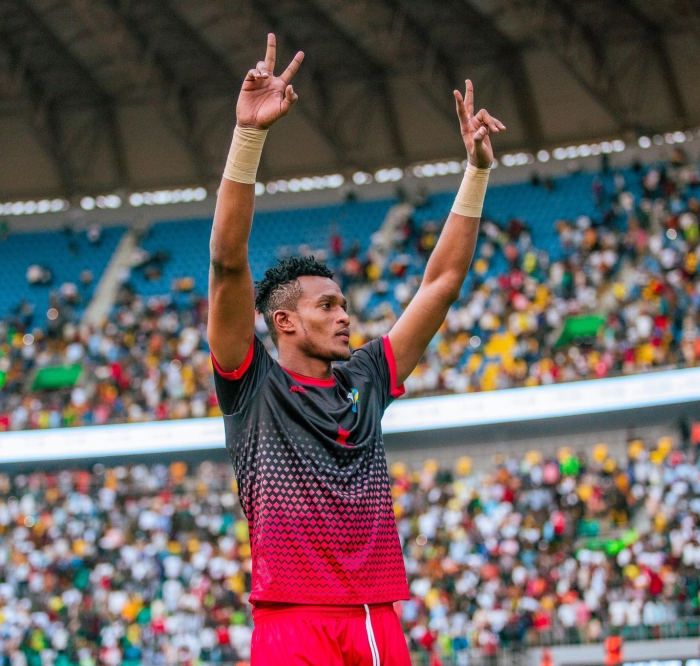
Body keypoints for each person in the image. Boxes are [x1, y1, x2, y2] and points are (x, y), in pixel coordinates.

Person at [206, 33, 504, 666]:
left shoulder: (366, 378)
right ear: (282, 322)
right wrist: (248, 137)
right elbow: (227, 262)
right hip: (287, 622)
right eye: (328, 307)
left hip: (372, 618)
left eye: (343, 305)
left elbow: (442, 284)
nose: (346, 317)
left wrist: (475, 173)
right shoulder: (250, 382)